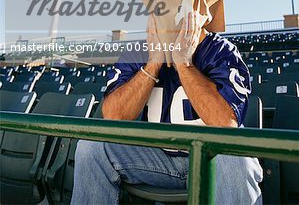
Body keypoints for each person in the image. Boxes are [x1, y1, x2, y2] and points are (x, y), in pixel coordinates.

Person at [71, 12, 263, 205]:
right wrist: (154, 62)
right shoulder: (138, 52)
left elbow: (225, 123)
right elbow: (113, 116)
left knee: (236, 158)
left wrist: (184, 63)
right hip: (156, 158)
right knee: (92, 147)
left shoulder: (220, 50)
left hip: (210, 159)